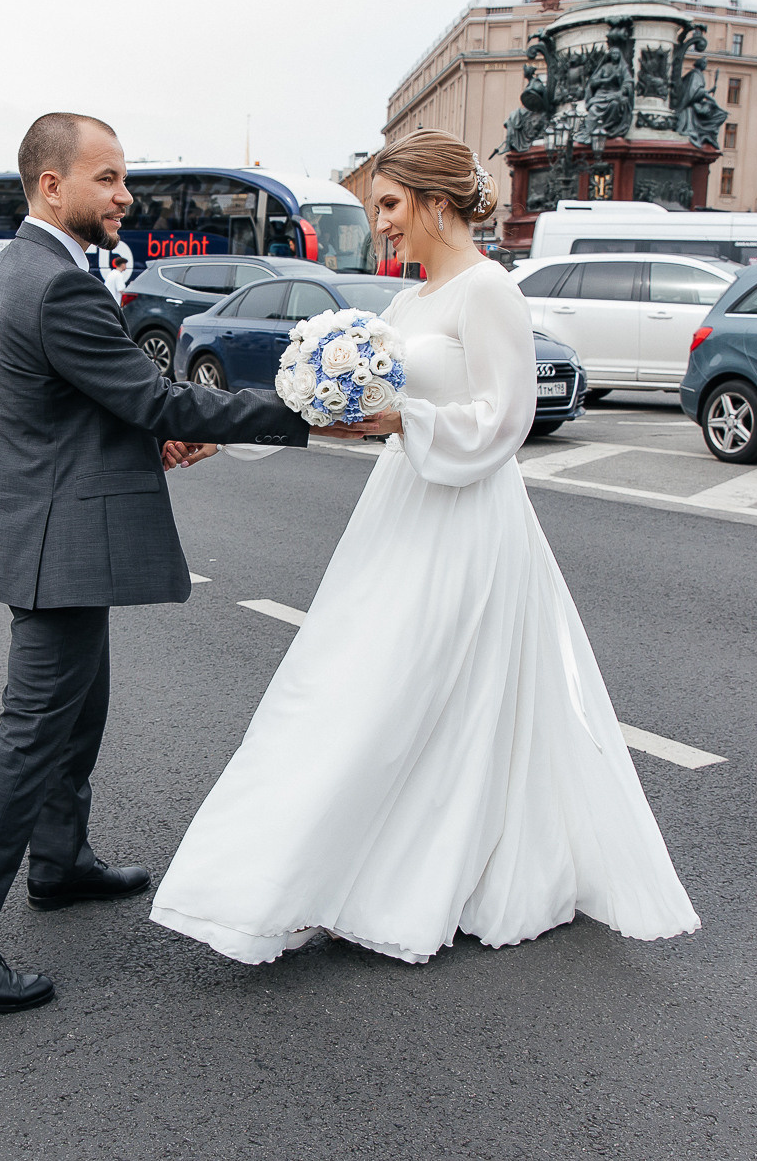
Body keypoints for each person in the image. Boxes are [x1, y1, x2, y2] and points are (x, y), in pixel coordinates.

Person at [149, 128, 700, 966]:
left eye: (391, 206)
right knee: (351, 683)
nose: (383, 228)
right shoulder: (406, 307)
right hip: (403, 508)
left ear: (439, 201)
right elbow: (338, 407)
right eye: (379, 211)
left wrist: (410, 419)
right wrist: (221, 436)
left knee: (420, 693)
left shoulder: (491, 292)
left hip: (471, 518)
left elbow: (507, 420)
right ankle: (309, 873)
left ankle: (406, 871)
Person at [0, 113, 314, 1014]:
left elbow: (79, 406)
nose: (126, 196)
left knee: (76, 712)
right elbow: (153, 397)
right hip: (56, 536)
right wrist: (299, 408)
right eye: (109, 178)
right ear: (53, 186)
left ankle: (60, 862)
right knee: (31, 733)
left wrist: (143, 435)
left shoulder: (21, 269)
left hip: (47, 521)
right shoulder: (57, 284)